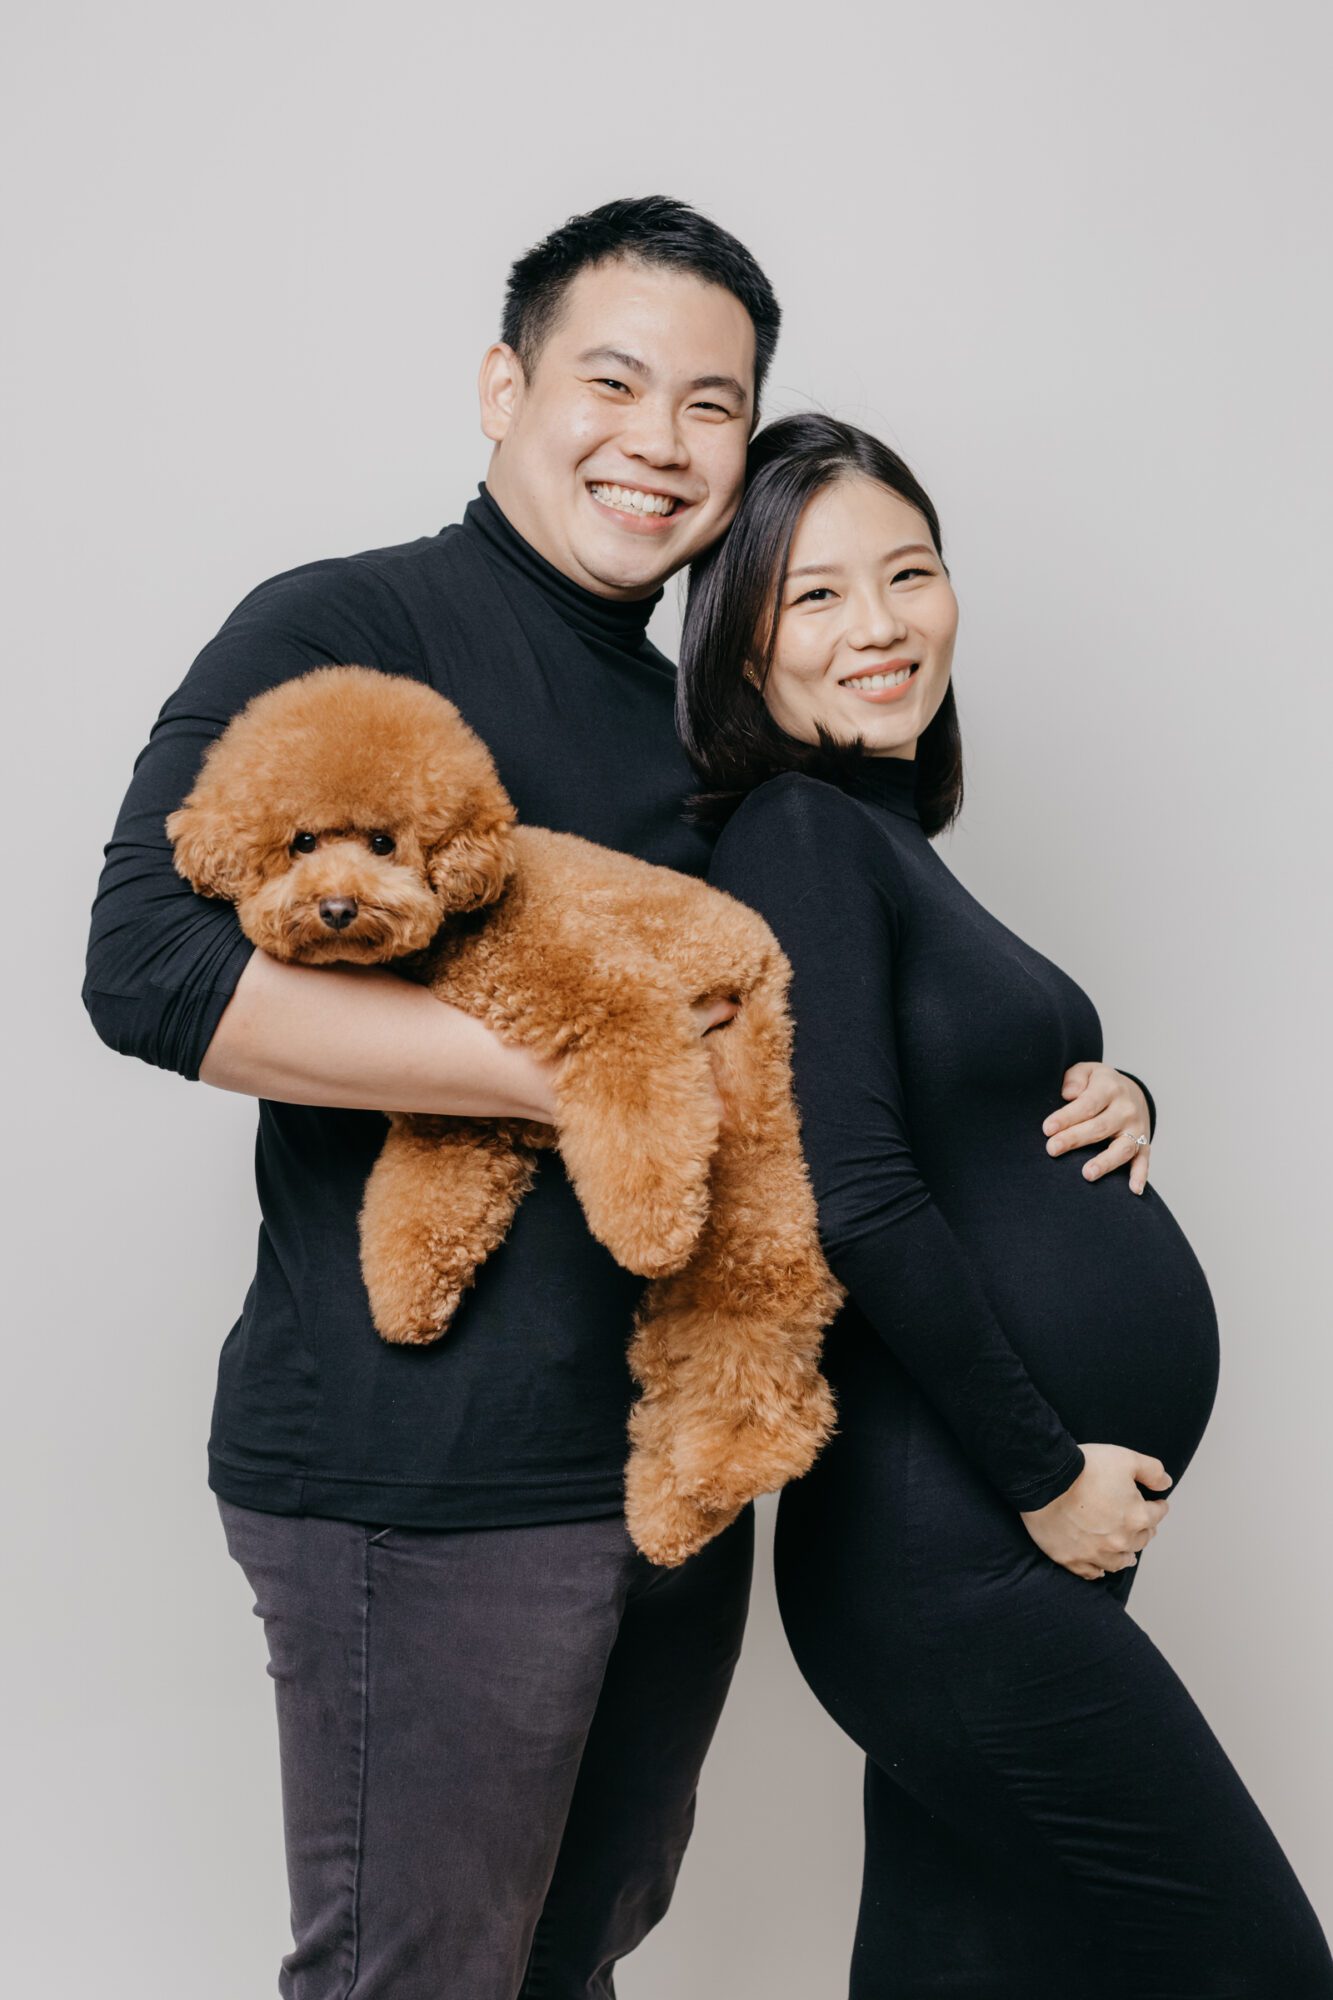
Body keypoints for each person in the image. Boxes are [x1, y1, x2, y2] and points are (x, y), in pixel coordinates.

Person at [83, 195, 772, 2000]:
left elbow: (816, 1010)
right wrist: (584, 1079)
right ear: (501, 385)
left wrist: (1101, 1080)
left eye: (713, 405)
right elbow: (147, 964)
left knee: (572, 1961)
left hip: (661, 1465)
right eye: (612, 380)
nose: (660, 440)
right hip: (426, 1475)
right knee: (423, 1979)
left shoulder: (706, 710)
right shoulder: (346, 624)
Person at [690, 414, 1333, 1996]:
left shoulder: (881, 843)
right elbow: (854, 1193)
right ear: (739, 647)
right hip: (955, 1548)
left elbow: (957, 1117)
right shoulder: (793, 831)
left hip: (986, 1544)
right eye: (816, 597)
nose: (882, 624)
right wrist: (1044, 1474)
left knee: (960, 1967)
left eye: (907, 573)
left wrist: (1123, 1093)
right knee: (1256, 1969)